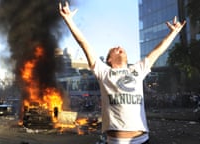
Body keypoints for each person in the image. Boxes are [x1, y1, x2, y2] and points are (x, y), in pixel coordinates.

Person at [59, 1, 186, 144]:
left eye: (121, 47)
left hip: (142, 140)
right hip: (115, 141)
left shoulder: (138, 69)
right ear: (109, 59)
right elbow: (84, 43)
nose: (119, 46)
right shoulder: (103, 72)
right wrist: (69, 20)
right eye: (114, 48)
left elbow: (157, 51)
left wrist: (173, 32)